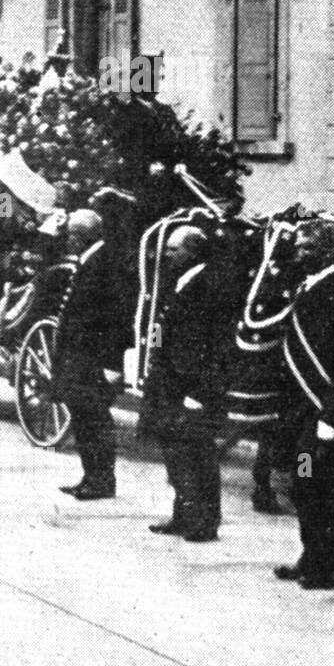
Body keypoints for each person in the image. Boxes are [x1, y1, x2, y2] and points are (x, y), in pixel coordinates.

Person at [139, 226, 232, 542]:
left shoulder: (211, 285)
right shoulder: (177, 281)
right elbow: (160, 325)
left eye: (173, 250)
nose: (167, 255)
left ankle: (204, 521)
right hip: (169, 382)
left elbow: (219, 347)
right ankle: (184, 514)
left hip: (192, 388)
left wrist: (201, 392)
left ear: (193, 251)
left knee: (198, 456)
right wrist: (154, 354)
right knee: (176, 455)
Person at [278, 234, 334, 590]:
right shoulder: (305, 288)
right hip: (301, 416)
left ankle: (331, 568)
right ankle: (313, 557)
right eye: (297, 247)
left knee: (320, 487)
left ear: (326, 253)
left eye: (308, 248)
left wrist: (333, 418)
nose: (299, 253)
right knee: (305, 484)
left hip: (324, 418)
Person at [52, 210, 122, 500]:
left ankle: (102, 480)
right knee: (82, 419)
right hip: (80, 357)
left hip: (93, 360)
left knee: (95, 420)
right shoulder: (92, 259)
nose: (68, 240)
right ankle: (90, 476)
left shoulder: (105, 264)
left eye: (71, 234)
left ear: (83, 236)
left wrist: (111, 363)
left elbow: (117, 318)